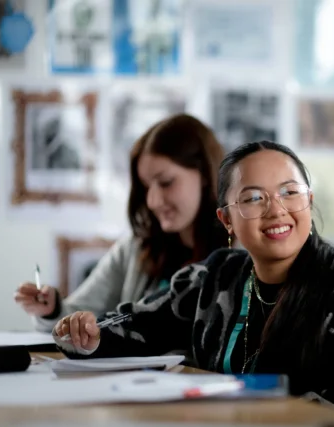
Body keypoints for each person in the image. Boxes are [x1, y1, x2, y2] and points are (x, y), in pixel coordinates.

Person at [51, 141, 334, 415]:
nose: (276, 210)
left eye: (290, 192)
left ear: (309, 199)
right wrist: (88, 335)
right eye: (254, 198)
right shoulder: (217, 275)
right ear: (227, 220)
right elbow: (140, 324)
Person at [14, 114, 227, 332]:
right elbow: (77, 314)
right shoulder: (135, 250)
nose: (152, 201)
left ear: (204, 175)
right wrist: (53, 310)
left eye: (166, 183)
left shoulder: (243, 253)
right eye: (146, 187)